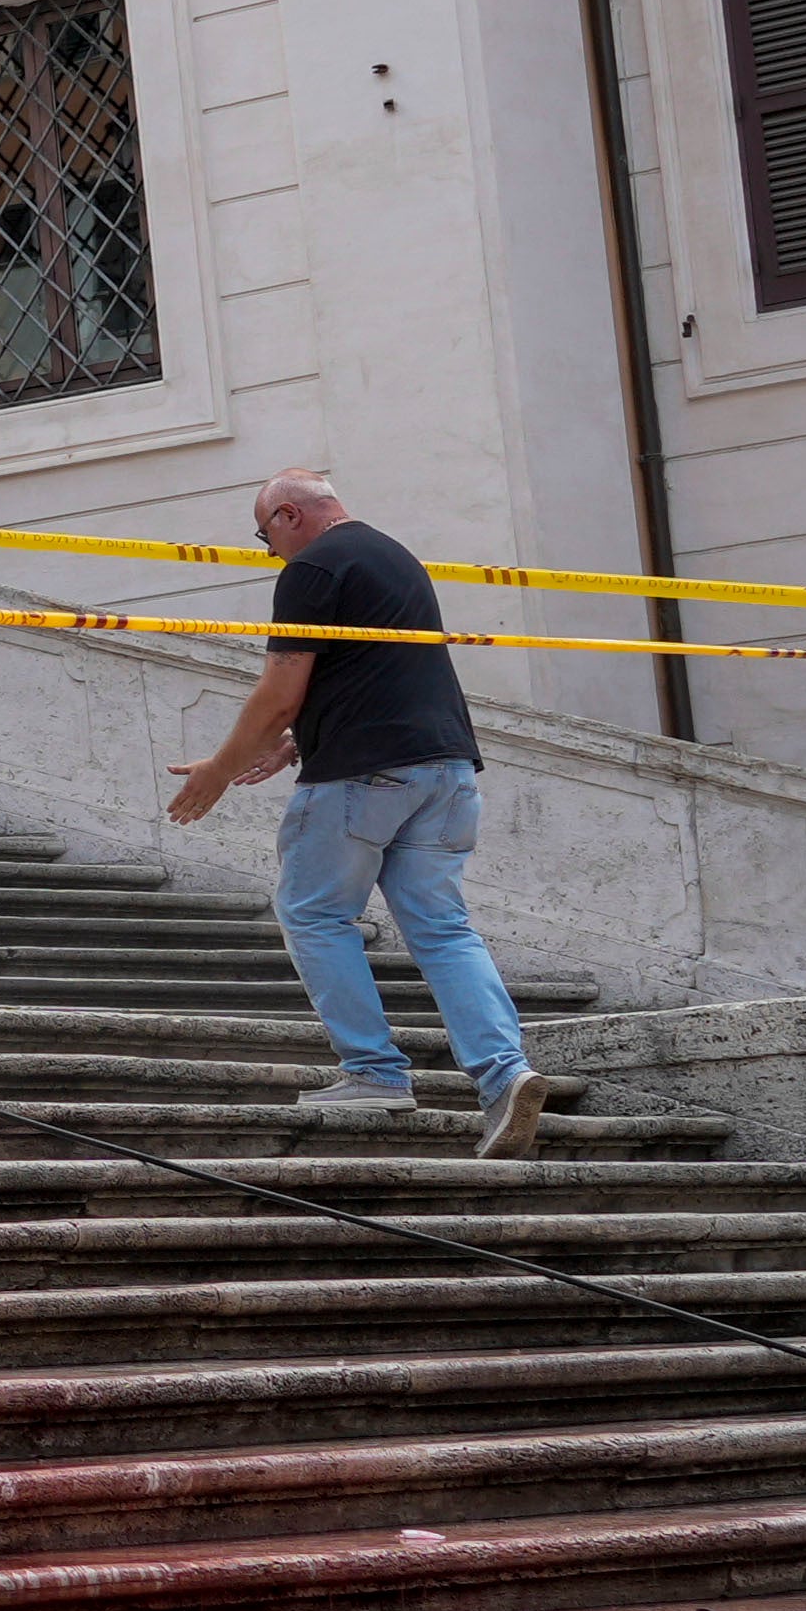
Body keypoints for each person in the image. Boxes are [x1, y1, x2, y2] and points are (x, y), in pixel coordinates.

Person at [167, 464, 550, 1149]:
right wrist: (294, 743)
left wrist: (219, 771)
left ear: (288, 516)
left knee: (314, 912)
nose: (270, 552)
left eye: (265, 537)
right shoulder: (393, 557)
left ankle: (374, 1072)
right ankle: (502, 1074)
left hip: (361, 777)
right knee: (442, 928)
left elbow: (280, 689)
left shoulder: (312, 567)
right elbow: (371, 675)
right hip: (446, 771)